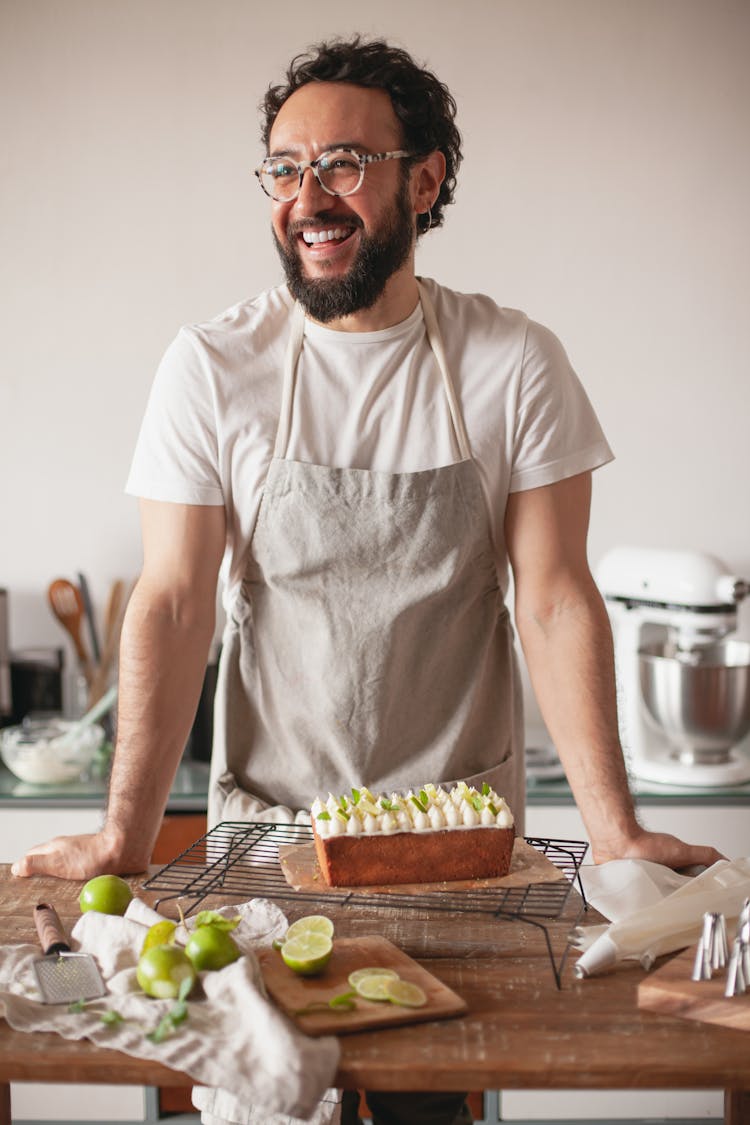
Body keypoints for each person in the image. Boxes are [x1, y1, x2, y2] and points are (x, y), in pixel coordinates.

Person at [14, 35, 721, 1125]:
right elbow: (173, 598)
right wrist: (123, 833)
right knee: (260, 1088)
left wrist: (615, 829)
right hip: (269, 839)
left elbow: (554, 598)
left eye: (343, 163)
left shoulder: (512, 360)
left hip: (464, 848)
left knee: (433, 1102)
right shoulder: (214, 366)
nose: (309, 196)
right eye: (286, 169)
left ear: (423, 179)